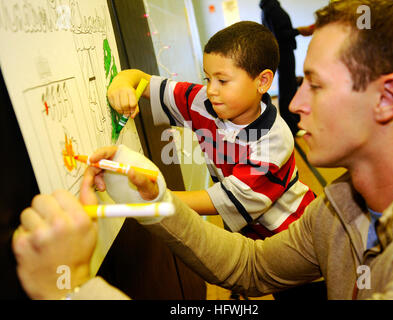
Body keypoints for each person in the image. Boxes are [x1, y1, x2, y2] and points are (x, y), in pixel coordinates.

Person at [13, 0, 393, 299]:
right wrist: (151, 199)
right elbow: (252, 267)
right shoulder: (338, 207)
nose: (297, 104)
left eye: (316, 86)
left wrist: (70, 291)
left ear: (388, 98)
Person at [107, 21, 315, 240]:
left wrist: (155, 196)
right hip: (247, 234)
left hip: (293, 236)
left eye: (222, 81)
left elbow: (223, 200)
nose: (211, 89)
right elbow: (142, 80)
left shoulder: (274, 139)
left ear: (262, 82)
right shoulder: (203, 101)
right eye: (208, 78)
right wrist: (122, 83)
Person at [260, 0, 314, 136]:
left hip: (282, 51)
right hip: (283, 51)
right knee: (287, 87)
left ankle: (293, 123)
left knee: (288, 85)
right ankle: (292, 126)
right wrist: (299, 31)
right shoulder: (272, 8)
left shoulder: (268, 7)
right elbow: (280, 34)